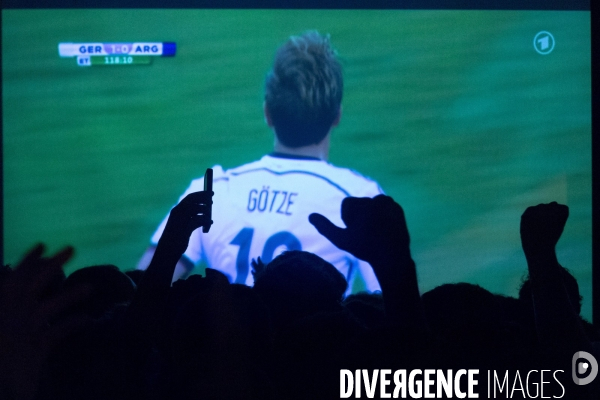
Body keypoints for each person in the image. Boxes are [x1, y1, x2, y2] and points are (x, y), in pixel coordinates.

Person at [138, 31, 383, 294]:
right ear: (337, 115)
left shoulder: (213, 191)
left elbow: (138, 293)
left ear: (267, 113)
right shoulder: (359, 199)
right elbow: (393, 307)